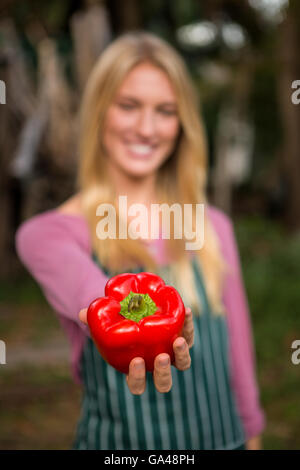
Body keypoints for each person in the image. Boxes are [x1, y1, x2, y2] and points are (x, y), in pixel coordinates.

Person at [15, 31, 265, 450]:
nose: (147, 128)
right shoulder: (50, 235)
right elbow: (95, 300)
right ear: (99, 113)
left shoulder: (213, 226)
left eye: (165, 111)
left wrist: (252, 435)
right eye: (128, 106)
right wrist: (136, 324)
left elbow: (238, 357)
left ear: (182, 124)